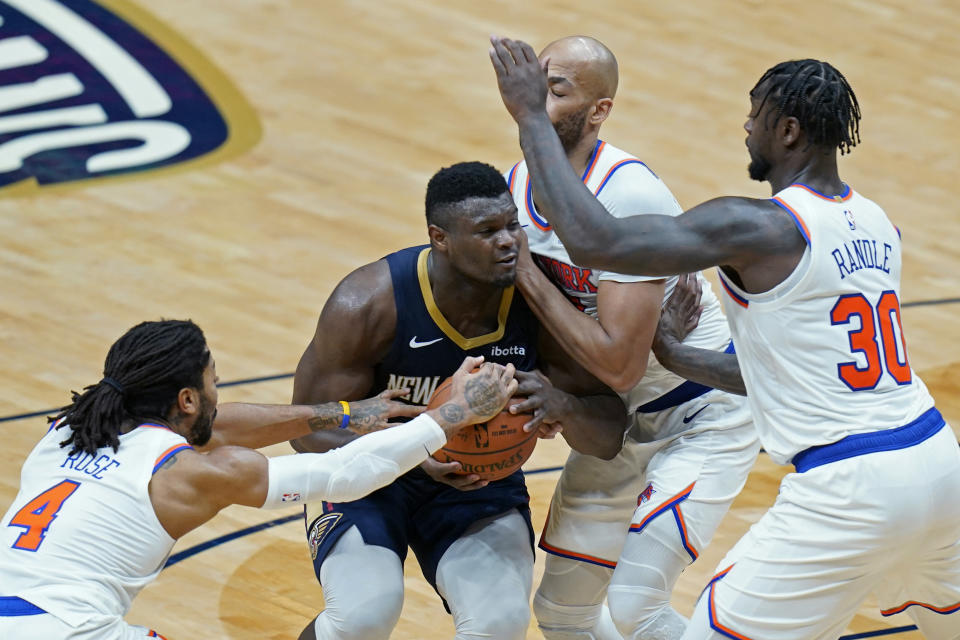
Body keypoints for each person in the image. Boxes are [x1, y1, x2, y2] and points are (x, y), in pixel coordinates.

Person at [491, 39, 960, 639]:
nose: (745, 125)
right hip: (934, 458)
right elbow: (800, 368)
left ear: (786, 130)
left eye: (755, 113)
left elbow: (595, 242)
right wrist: (676, 354)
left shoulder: (756, 225)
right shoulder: (878, 224)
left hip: (849, 482)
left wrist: (530, 113)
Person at [0, 319, 518, 640]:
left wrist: (339, 413)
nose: (217, 396)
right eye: (213, 385)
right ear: (185, 401)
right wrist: (454, 415)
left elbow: (217, 425)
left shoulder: (74, 424)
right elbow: (343, 474)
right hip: (71, 629)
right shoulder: (190, 476)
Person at [291, 161, 628, 640]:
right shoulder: (368, 302)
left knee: (501, 623)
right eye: (488, 231)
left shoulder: (538, 303)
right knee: (364, 616)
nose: (509, 241)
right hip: (367, 475)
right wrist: (411, 450)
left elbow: (609, 435)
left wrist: (563, 405)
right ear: (440, 238)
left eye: (512, 225)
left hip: (479, 484)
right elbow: (306, 432)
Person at [503, 36, 758, 640]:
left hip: (704, 414)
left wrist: (526, 277)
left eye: (557, 90)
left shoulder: (627, 193)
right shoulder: (516, 186)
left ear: (600, 110)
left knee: (636, 603)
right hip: (619, 425)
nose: (538, 100)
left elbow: (620, 364)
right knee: (561, 615)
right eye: (534, 85)